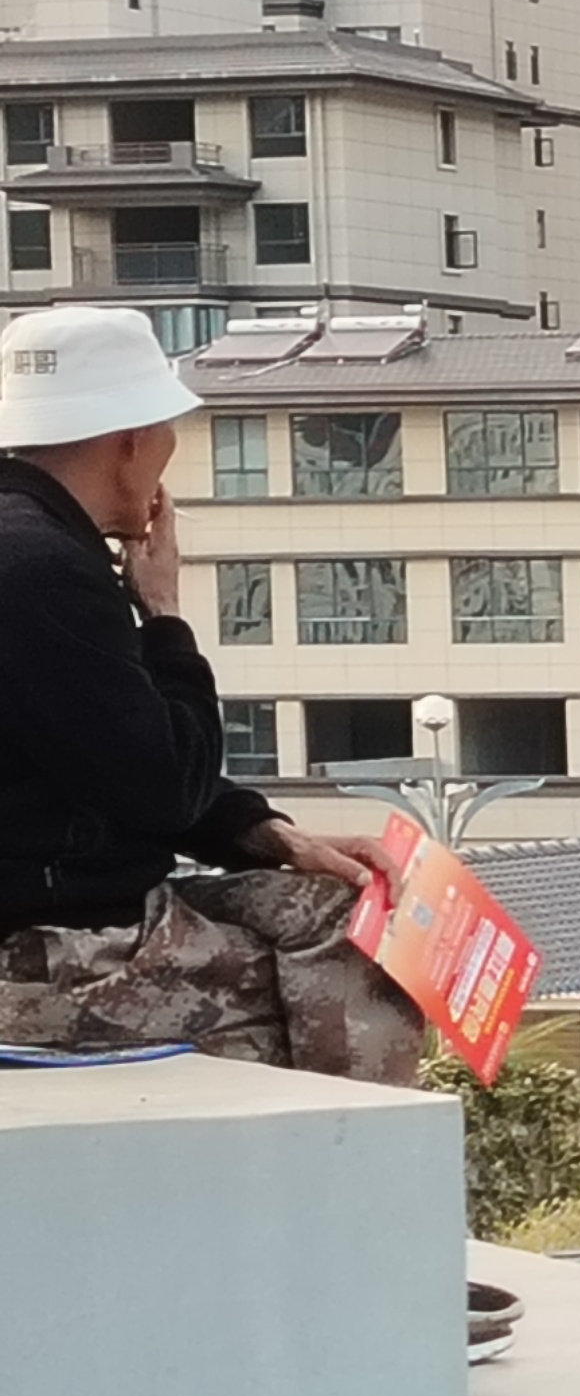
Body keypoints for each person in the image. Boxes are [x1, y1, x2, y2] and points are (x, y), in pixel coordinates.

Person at [0, 305, 410, 1076]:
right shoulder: (42, 568)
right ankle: (359, 1144)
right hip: (49, 951)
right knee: (366, 944)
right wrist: (164, 617)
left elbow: (106, 754)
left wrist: (267, 834)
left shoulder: (29, 546)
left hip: (59, 907)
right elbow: (161, 789)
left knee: (329, 908)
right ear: (131, 440)